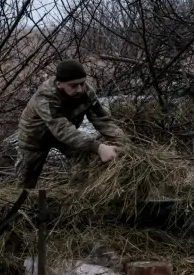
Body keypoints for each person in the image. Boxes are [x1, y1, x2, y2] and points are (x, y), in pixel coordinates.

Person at [15, 59, 126, 189]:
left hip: (67, 135)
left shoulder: (86, 92)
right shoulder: (46, 97)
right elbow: (62, 129)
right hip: (34, 138)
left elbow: (103, 119)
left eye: (82, 83)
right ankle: (22, 205)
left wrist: (122, 142)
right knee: (25, 183)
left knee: (82, 154)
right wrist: (99, 147)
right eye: (73, 86)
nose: (80, 89)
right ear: (59, 84)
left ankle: (76, 195)